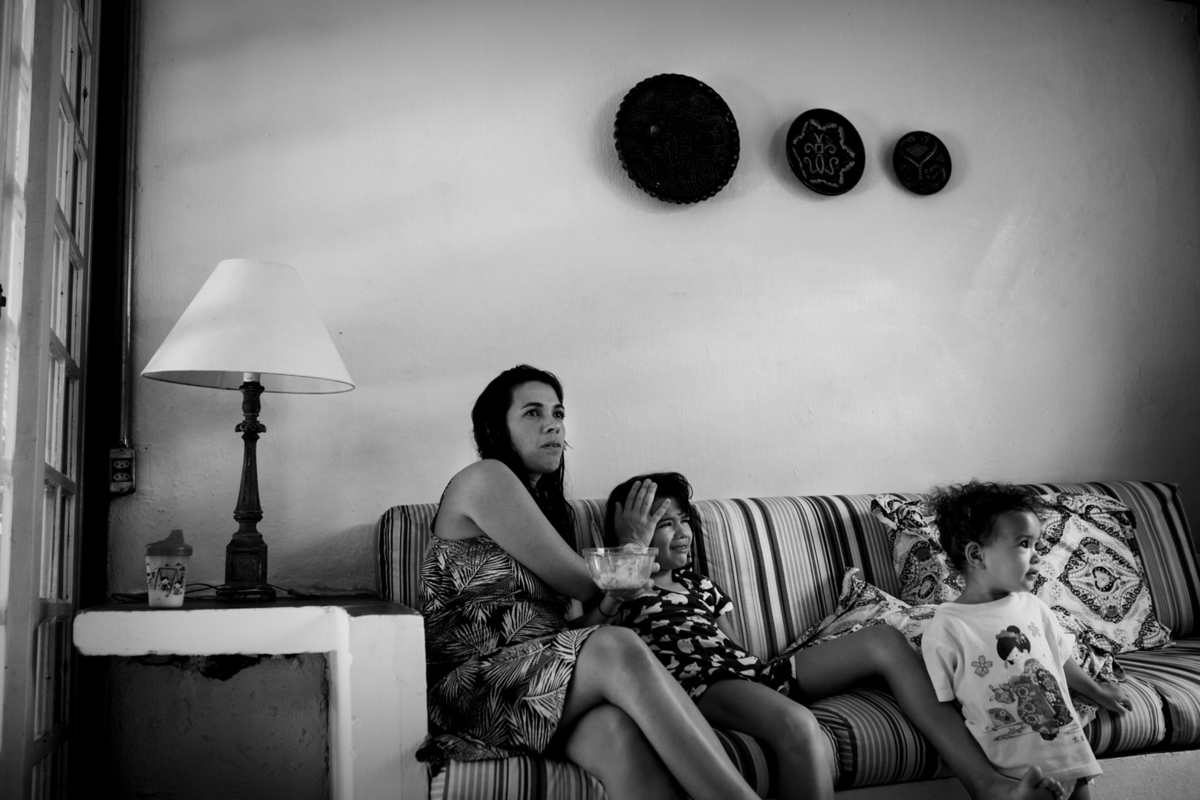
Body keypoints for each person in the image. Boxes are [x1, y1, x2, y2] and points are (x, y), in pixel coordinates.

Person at [603, 472, 1070, 800]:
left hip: (746, 675)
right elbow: (589, 639)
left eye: (683, 519)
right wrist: (630, 552)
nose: (682, 532)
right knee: (800, 727)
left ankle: (985, 783)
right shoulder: (618, 587)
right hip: (698, 688)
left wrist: (772, 678)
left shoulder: (700, 585)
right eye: (662, 523)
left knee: (884, 639)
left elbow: (739, 651)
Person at [417, 366, 760, 800]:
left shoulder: (546, 515)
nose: (553, 425)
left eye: (558, 413)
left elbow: (567, 632)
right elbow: (585, 584)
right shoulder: (486, 478)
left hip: (538, 690)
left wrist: (610, 604)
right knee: (616, 645)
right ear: (495, 428)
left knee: (614, 732)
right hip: (471, 693)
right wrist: (633, 543)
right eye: (533, 413)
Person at [923, 481, 1134, 800]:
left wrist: (1098, 692)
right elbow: (943, 703)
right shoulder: (948, 627)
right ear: (977, 555)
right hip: (1010, 771)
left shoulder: (1034, 607)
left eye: (1037, 544)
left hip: (1069, 755)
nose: (1037, 555)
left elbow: (1061, 658)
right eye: (1024, 544)